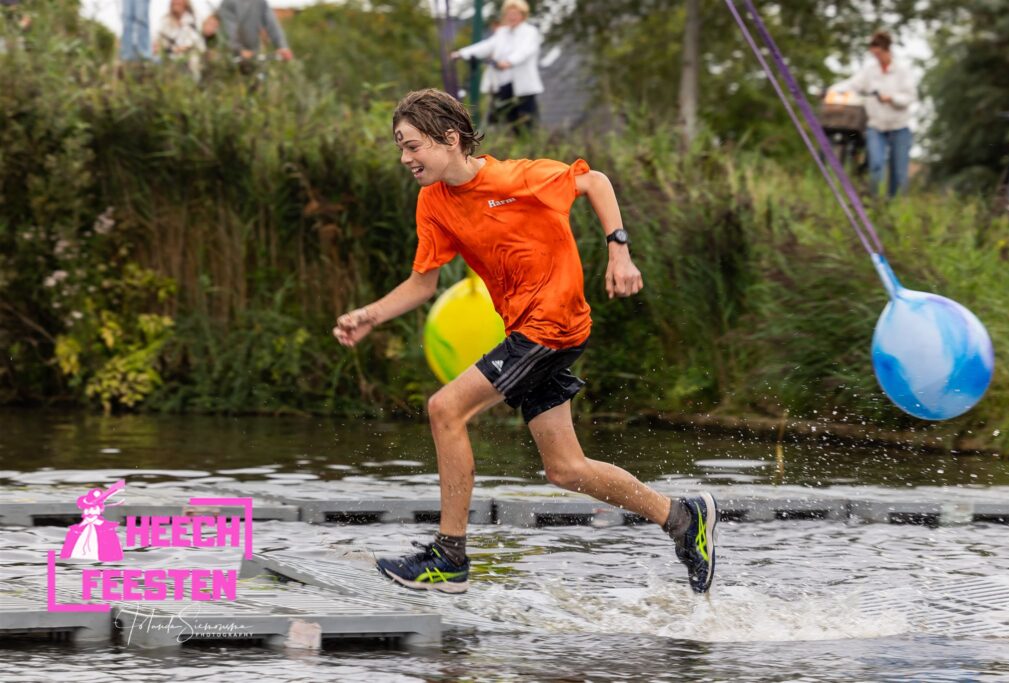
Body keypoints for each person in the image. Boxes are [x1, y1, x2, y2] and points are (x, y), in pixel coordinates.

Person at [333, 89, 719, 595]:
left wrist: (619, 251)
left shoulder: (517, 179)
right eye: (400, 148)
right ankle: (682, 518)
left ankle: (449, 558)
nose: (405, 158)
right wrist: (369, 315)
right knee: (565, 469)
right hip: (527, 332)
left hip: (553, 326)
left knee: (445, 409)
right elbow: (423, 284)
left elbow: (595, 181)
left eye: (412, 145)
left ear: (450, 139)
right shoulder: (433, 203)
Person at [833, 30, 917, 198]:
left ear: (887, 50)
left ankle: (893, 205)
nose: (876, 57)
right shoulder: (869, 71)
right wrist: (831, 90)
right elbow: (852, 85)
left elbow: (910, 97)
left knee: (899, 174)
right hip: (876, 126)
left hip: (899, 126)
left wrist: (891, 98)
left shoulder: (902, 70)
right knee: (876, 165)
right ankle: (873, 202)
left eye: (879, 54)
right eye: (874, 54)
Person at [450, 0, 542, 134]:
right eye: (509, 14)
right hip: (503, 85)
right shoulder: (502, 33)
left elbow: (524, 51)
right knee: (503, 119)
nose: (512, 17)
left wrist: (508, 62)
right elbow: (486, 46)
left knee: (526, 122)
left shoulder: (530, 32)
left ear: (523, 15)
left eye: (515, 14)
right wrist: (462, 53)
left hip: (523, 88)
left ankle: (527, 144)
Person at [216, 0, 292, 62]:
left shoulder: (261, 2)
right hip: (233, 56)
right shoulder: (228, 2)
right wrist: (239, 50)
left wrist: (282, 46)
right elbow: (229, 30)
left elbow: (272, 24)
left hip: (254, 53)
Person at [154, 0, 205, 80]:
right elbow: (157, 43)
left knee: (193, 60)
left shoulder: (194, 20)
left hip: (188, 60)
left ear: (186, 3)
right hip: (169, 58)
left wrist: (185, 49)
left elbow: (199, 45)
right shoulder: (164, 21)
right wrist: (171, 49)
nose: (176, 2)